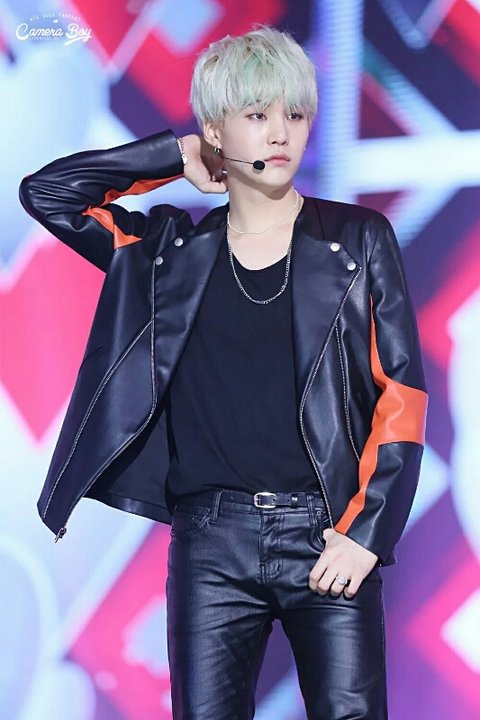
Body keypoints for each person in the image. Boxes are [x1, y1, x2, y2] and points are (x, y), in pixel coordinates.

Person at [19, 25, 428, 720]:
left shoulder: (357, 240)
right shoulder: (164, 254)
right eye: (257, 114)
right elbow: (50, 194)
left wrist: (367, 533)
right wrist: (174, 156)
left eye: (294, 113)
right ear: (216, 129)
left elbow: (402, 394)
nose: (281, 132)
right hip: (211, 544)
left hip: (328, 531)